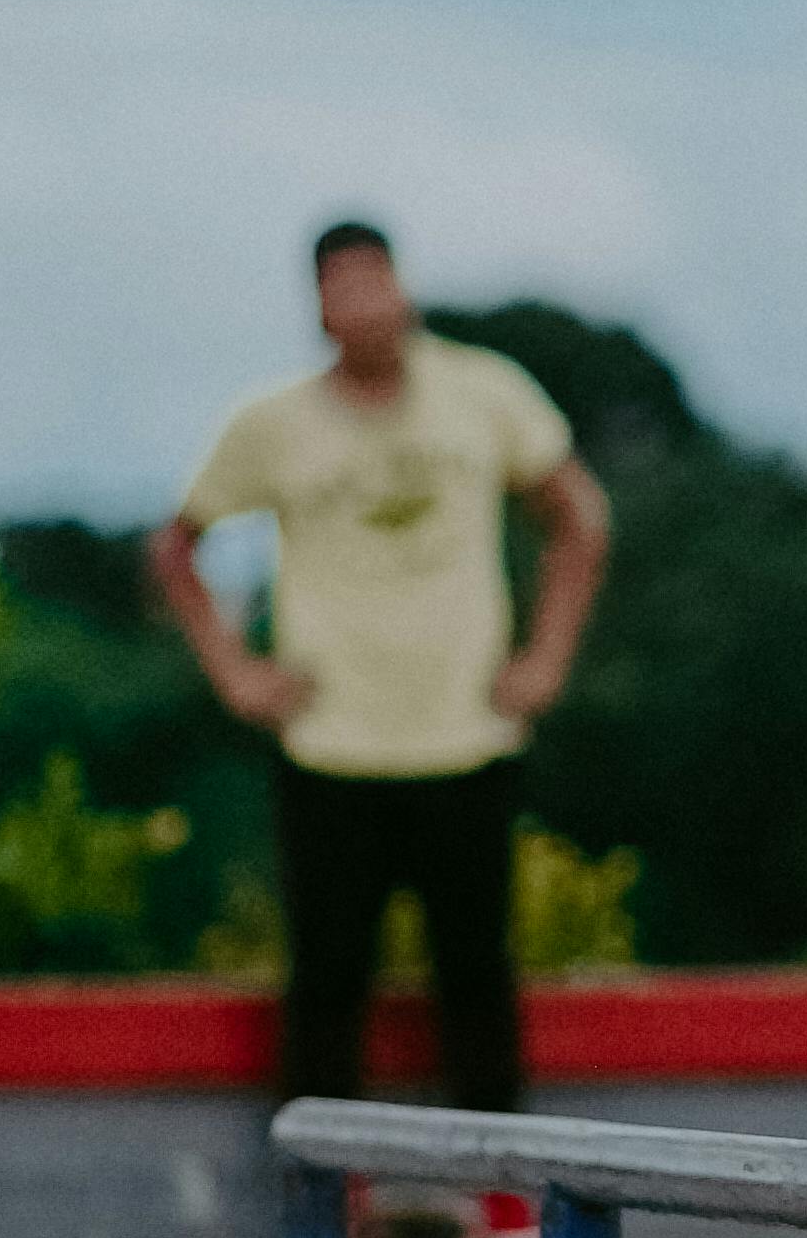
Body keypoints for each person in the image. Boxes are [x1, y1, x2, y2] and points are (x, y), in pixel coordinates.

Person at [151, 224, 614, 1149]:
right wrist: (238, 674)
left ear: (404, 289)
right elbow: (176, 545)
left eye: (376, 283)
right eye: (342, 289)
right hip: (332, 741)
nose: (364, 306)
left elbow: (579, 518)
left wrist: (546, 658)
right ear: (319, 309)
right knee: (326, 981)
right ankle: (324, 1200)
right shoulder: (273, 422)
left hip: (464, 731)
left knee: (477, 976)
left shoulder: (483, 394)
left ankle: (501, 1193)